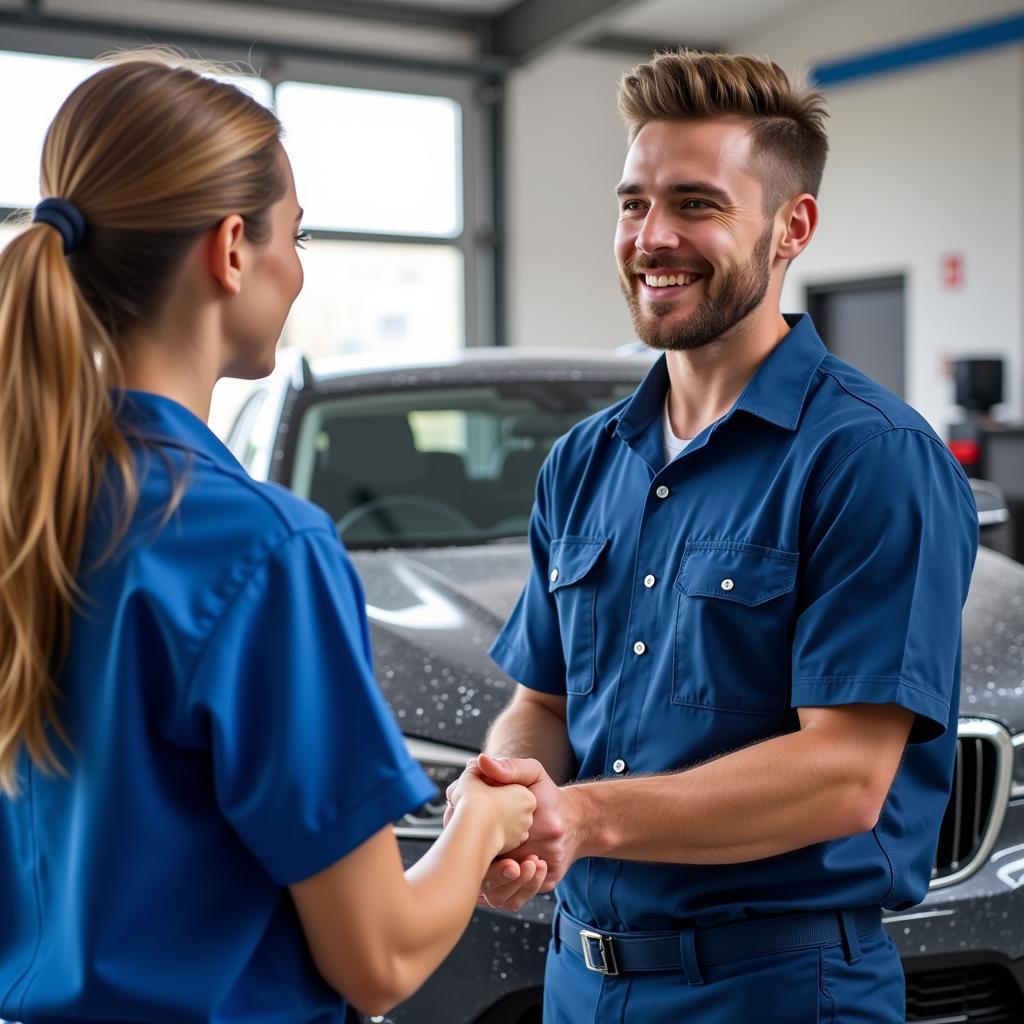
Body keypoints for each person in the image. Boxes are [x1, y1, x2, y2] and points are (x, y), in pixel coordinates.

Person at [0, 53, 536, 1023]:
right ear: (233, 248)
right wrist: (482, 818)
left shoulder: (22, 514)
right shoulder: (257, 548)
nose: (298, 268)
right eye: (299, 234)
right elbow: (378, 956)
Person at [445, 50, 979, 1022]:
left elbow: (843, 777)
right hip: (580, 980)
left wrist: (583, 818)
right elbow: (541, 703)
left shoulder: (870, 457)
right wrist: (508, 787)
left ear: (792, 228)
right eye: (633, 203)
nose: (652, 238)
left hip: (773, 988)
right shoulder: (582, 462)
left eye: (695, 204)